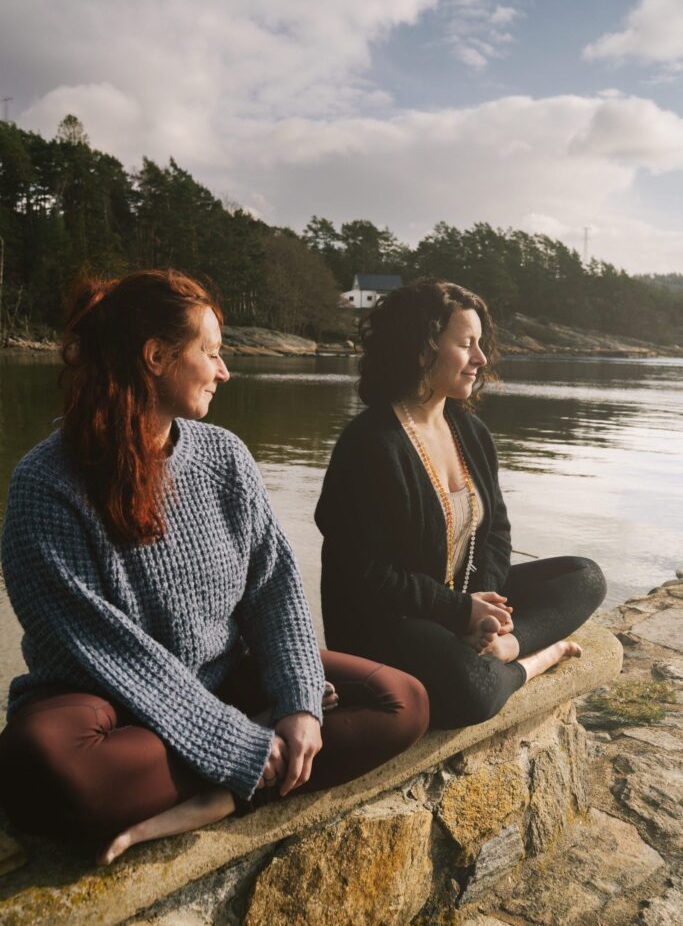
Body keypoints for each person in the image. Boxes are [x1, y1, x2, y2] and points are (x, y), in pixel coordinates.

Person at [0, 270, 429, 865]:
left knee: (400, 699)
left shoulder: (225, 456)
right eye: (213, 353)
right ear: (157, 356)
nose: (225, 371)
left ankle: (220, 798)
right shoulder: (45, 485)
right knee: (42, 767)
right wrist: (237, 742)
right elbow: (96, 647)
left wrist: (300, 703)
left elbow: (274, 587)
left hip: (222, 678)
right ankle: (246, 768)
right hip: (104, 706)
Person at [315, 278, 606, 730]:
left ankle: (509, 649)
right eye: (466, 344)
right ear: (421, 349)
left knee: (585, 576)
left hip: (461, 603)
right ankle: (533, 662)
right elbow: (367, 574)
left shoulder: (471, 433)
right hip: (390, 622)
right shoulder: (370, 444)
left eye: (480, 344)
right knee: (472, 689)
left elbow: (498, 535)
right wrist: (459, 611)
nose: (481, 359)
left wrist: (486, 611)